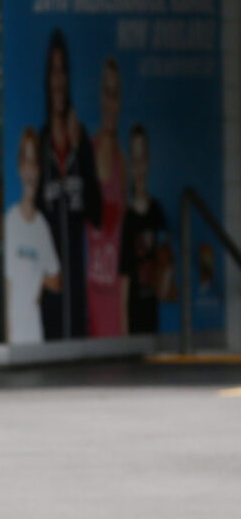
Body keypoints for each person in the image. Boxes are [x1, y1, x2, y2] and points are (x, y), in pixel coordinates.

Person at [37, 28, 101, 339]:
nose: (58, 80)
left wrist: (79, 151)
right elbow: (35, 211)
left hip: (76, 280)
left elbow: (96, 212)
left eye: (63, 71)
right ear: (47, 79)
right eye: (53, 71)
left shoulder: (81, 139)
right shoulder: (41, 141)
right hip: (48, 278)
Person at [5, 126, 60, 344]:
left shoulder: (41, 226)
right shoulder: (11, 222)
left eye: (34, 162)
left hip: (35, 335)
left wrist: (36, 276)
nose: (30, 170)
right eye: (26, 161)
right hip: (13, 336)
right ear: (20, 167)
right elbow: (7, 285)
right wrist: (7, 336)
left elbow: (56, 279)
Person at [119, 124, 173, 333]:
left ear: (148, 161)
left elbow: (167, 262)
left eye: (142, 159)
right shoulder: (128, 218)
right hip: (134, 314)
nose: (139, 167)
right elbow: (124, 278)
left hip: (154, 312)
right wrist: (124, 328)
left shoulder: (156, 212)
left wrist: (164, 284)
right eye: (134, 160)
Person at [86, 57, 126, 337]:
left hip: (115, 291)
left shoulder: (123, 162)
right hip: (92, 290)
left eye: (116, 94)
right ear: (100, 98)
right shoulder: (89, 152)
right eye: (106, 93)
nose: (110, 102)